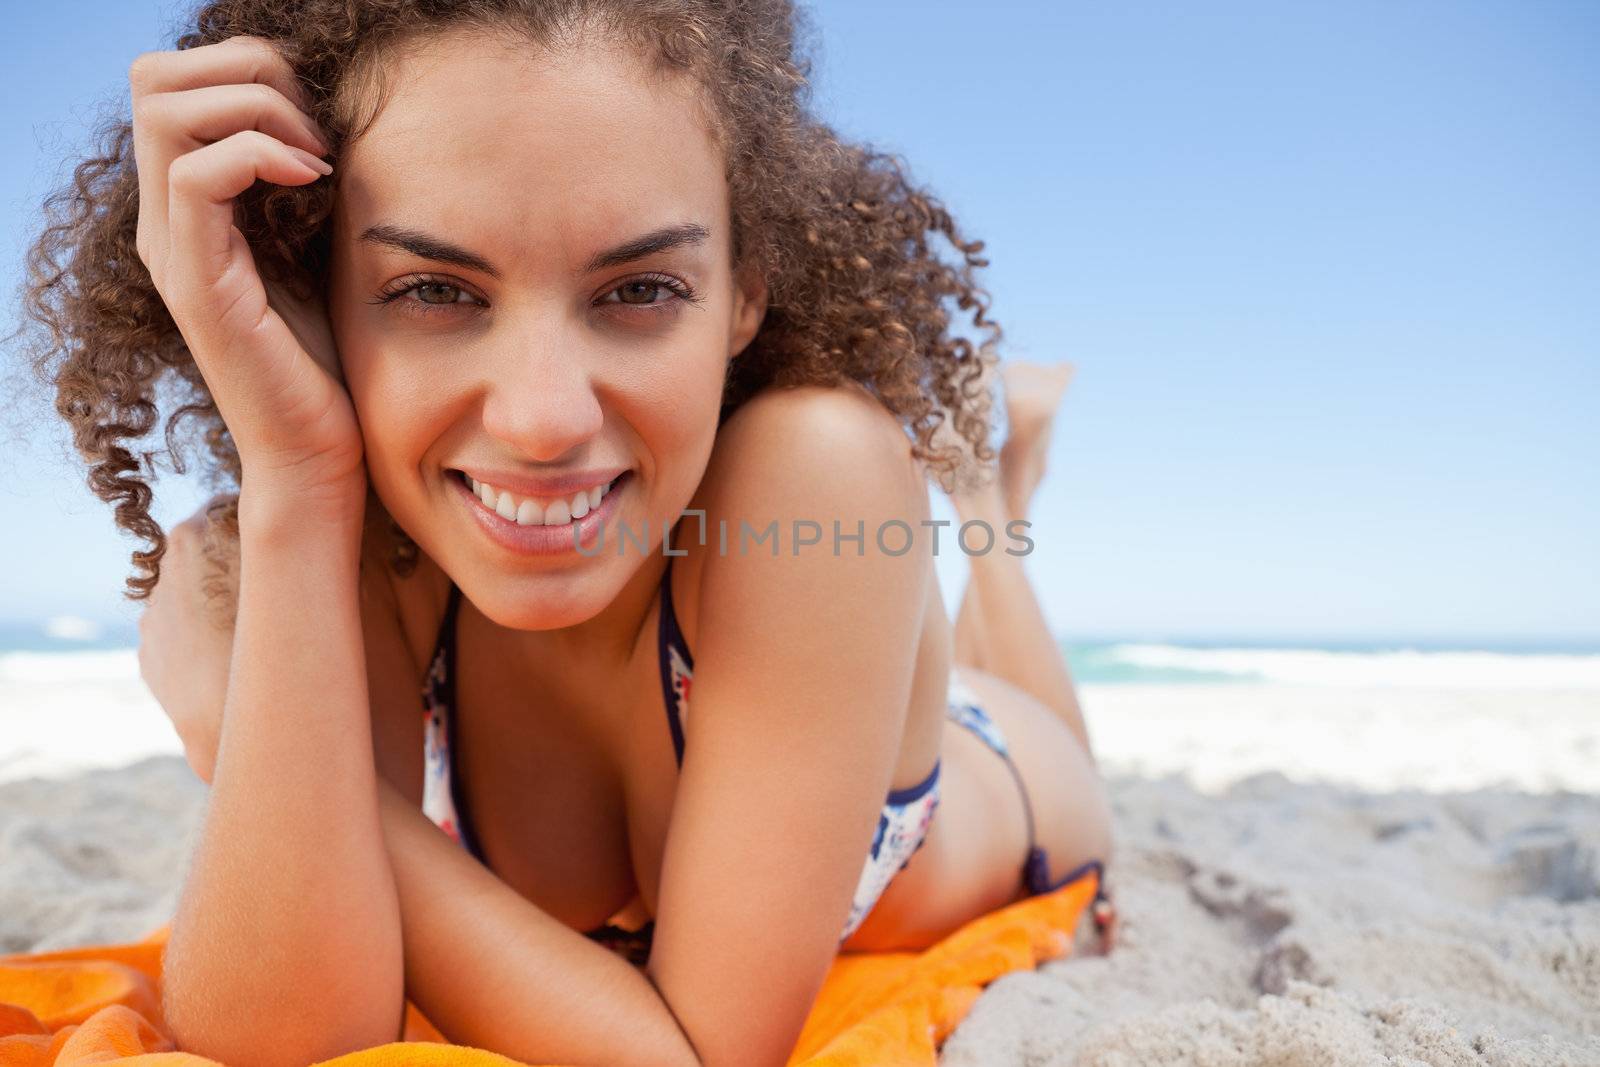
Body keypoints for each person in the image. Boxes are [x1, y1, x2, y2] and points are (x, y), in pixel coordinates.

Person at [20, 5, 1115, 1065]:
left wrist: (235, 729)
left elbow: (695, 1054)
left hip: (1005, 784)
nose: (541, 421)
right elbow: (290, 1041)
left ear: (744, 292)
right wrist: (297, 486)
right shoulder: (332, 543)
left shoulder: (816, 471)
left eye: (638, 287)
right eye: (433, 290)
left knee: (1046, 727)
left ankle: (989, 507)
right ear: (314, 292)